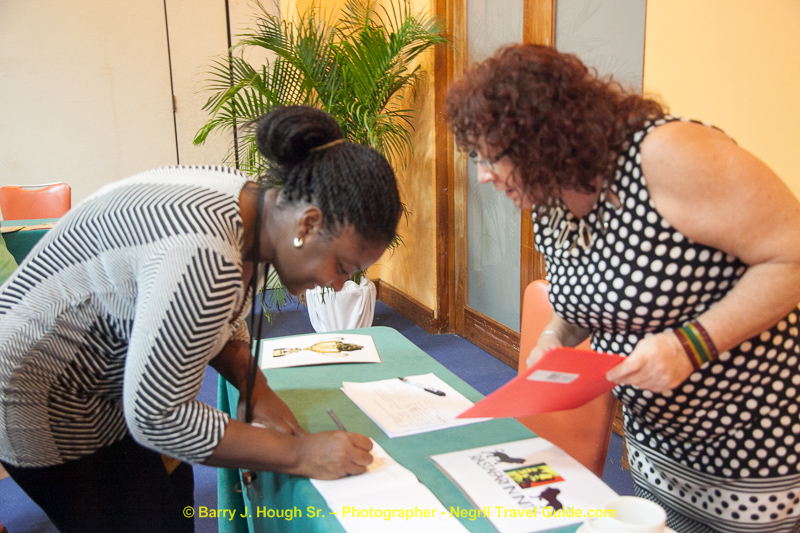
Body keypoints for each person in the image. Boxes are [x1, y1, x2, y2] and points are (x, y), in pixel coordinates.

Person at [446, 44, 800, 532]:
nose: (484, 175)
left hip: (749, 441)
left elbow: (791, 256)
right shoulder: (547, 195)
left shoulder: (666, 155)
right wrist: (554, 337)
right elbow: (592, 296)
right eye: (477, 156)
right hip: (658, 446)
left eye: (494, 156)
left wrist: (691, 345)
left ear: (545, 137)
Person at [0, 105, 403, 532]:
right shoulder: (205, 252)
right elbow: (157, 417)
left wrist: (254, 386)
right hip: (41, 397)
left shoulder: (250, 203)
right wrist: (300, 455)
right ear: (308, 224)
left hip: (108, 376)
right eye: (341, 267)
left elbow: (210, 316)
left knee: (172, 503)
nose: (337, 285)